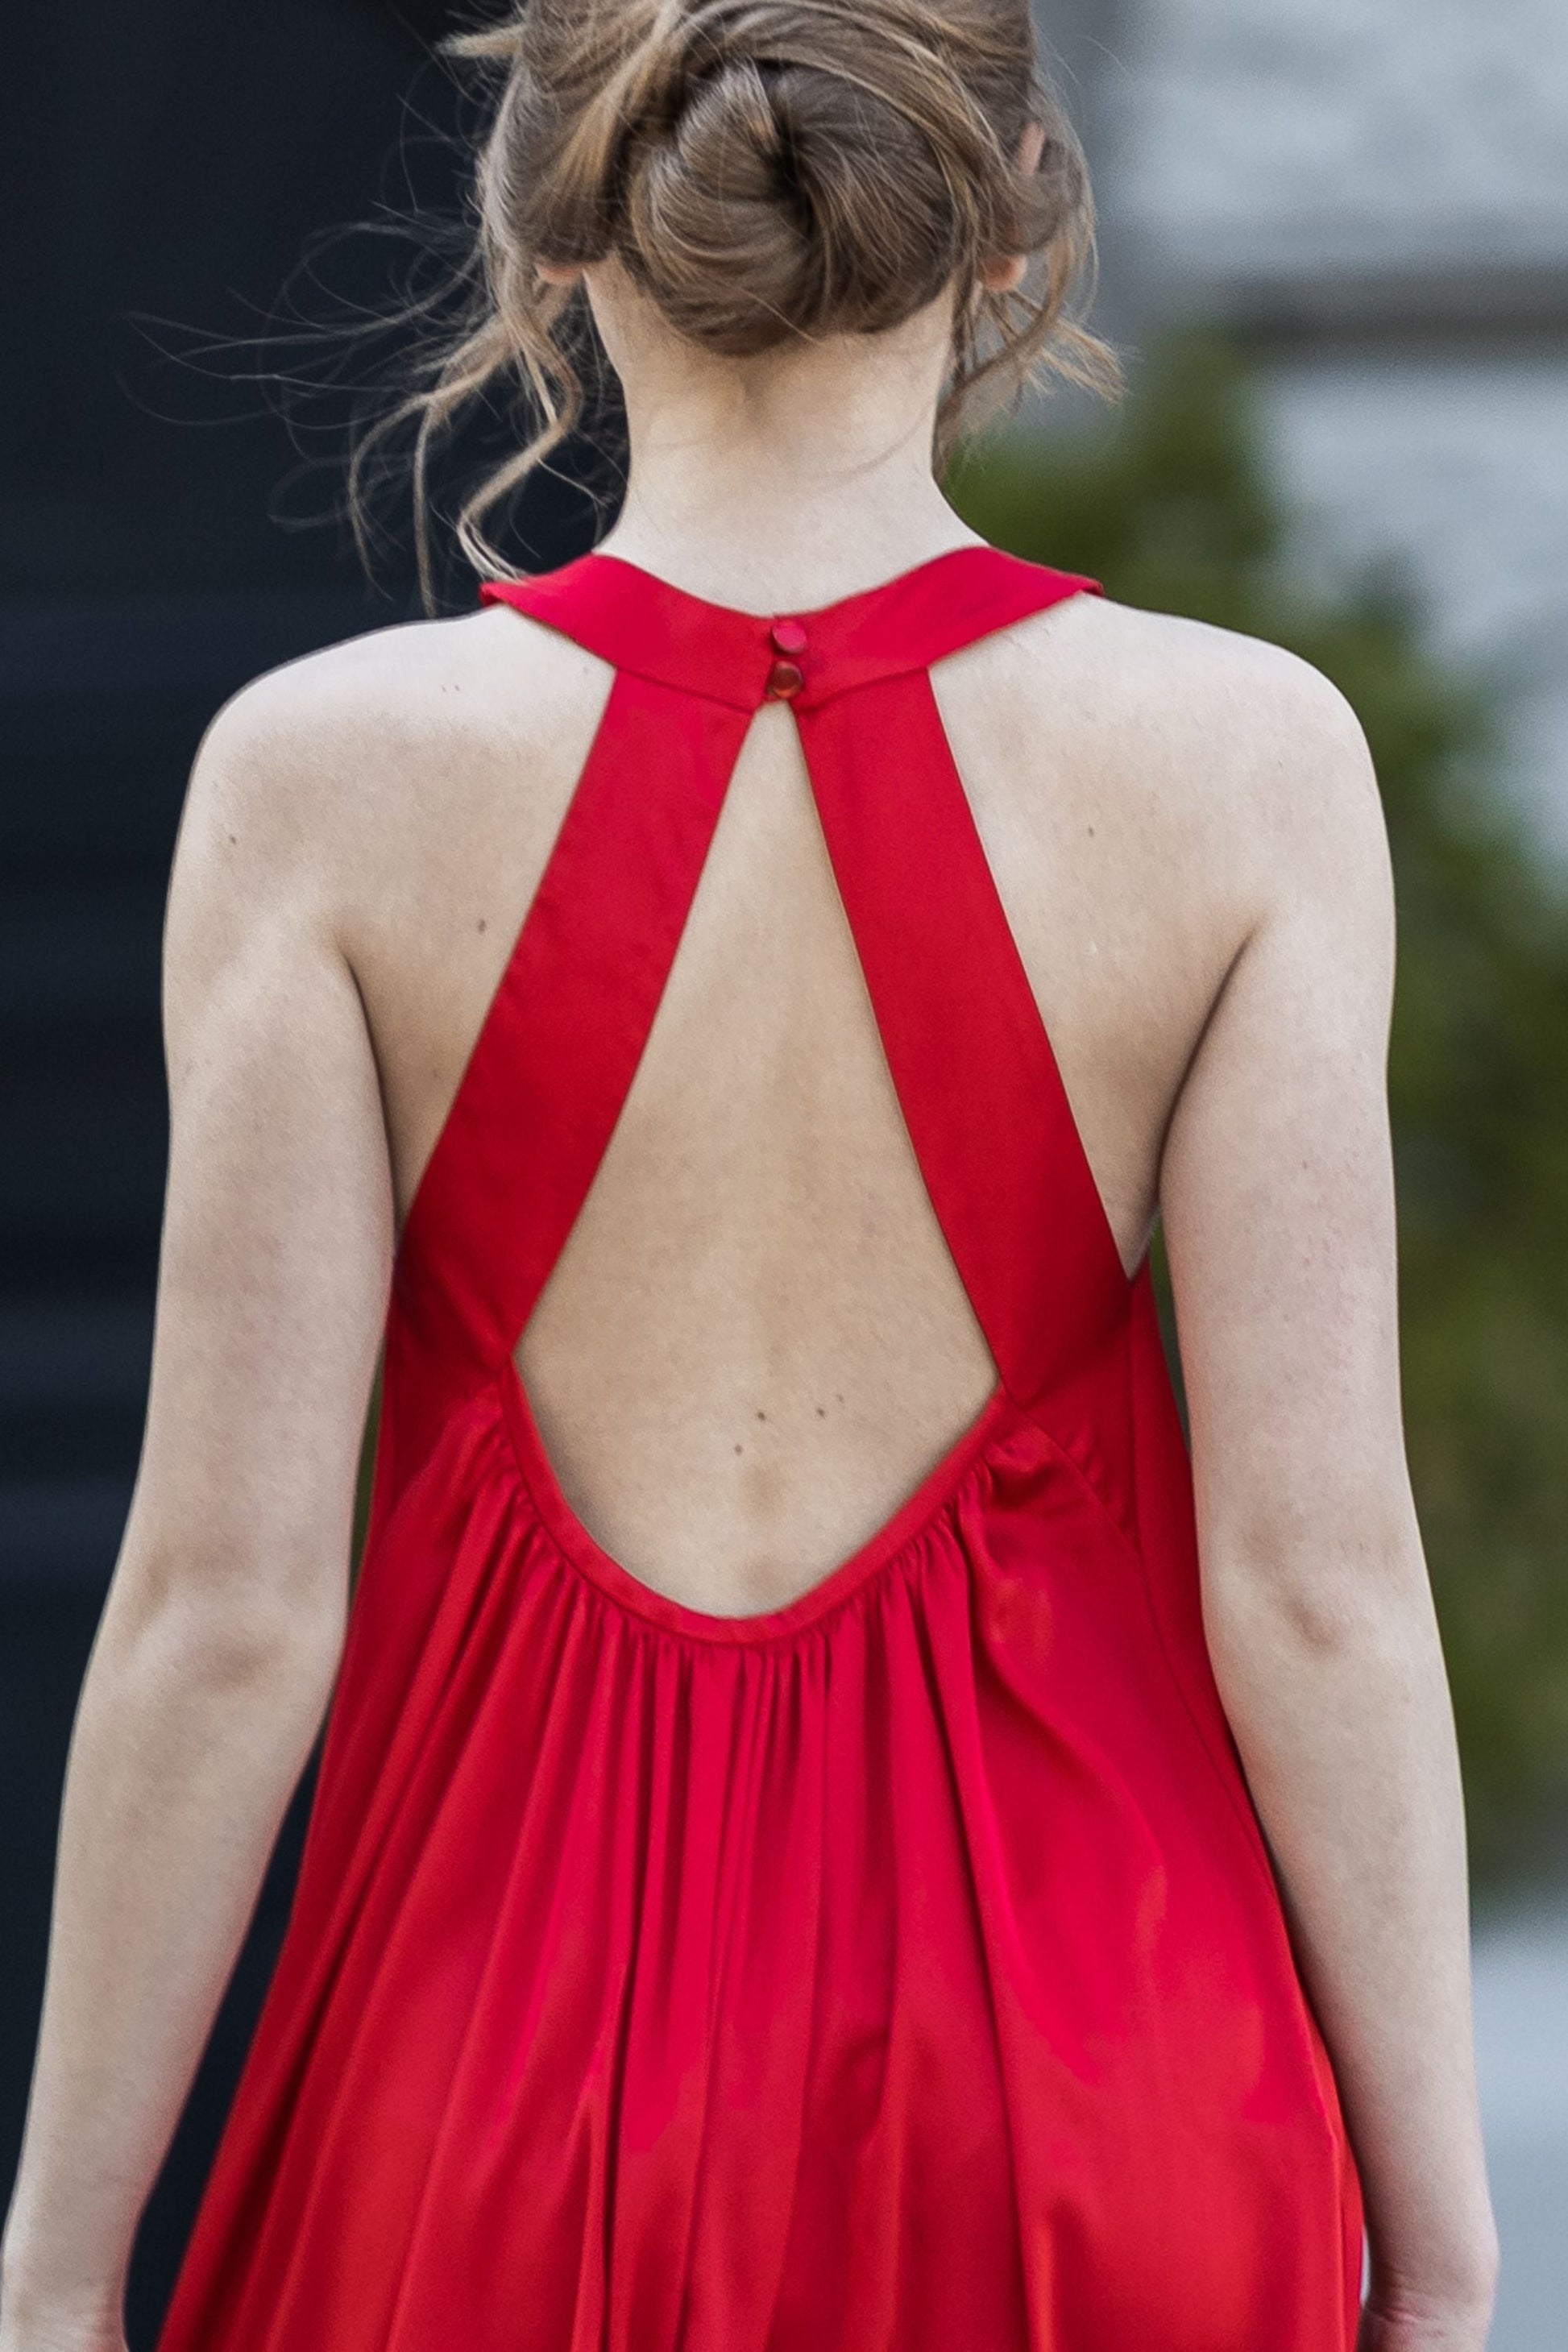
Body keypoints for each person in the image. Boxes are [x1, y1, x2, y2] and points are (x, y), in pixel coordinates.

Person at [0, 2, 1500, 2348]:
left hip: (498, 2089)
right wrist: (1443, 2251)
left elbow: (225, 1607)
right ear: (1017, 222)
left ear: (542, 236)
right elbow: (1314, 1582)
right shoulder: (1241, 765)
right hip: (1093, 2084)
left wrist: (57, 2278)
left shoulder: (320, 781)